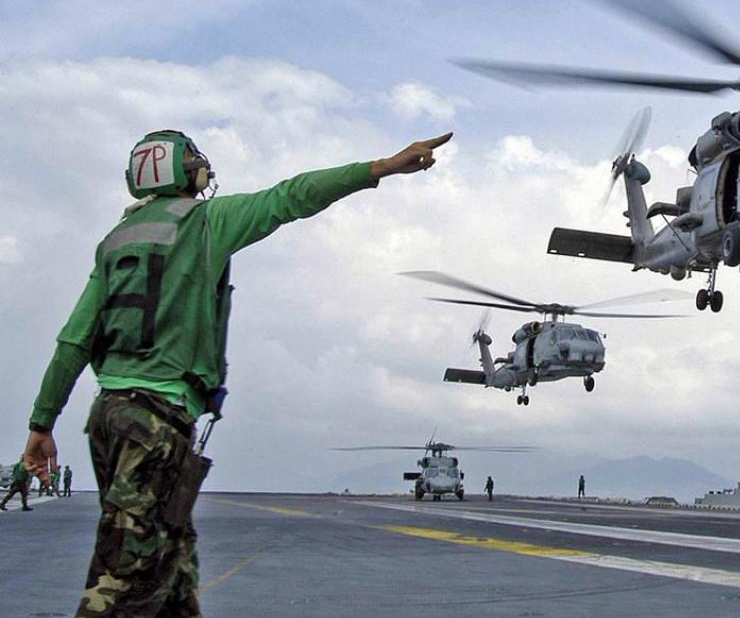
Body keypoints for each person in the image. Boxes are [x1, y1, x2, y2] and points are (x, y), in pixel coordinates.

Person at [21, 128, 452, 617]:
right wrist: (381, 168)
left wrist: (42, 423)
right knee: (124, 578)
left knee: (174, 570)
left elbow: (74, 340)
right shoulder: (206, 222)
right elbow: (291, 196)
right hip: (155, 422)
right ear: (191, 172)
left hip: (110, 415)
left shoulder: (115, 241)